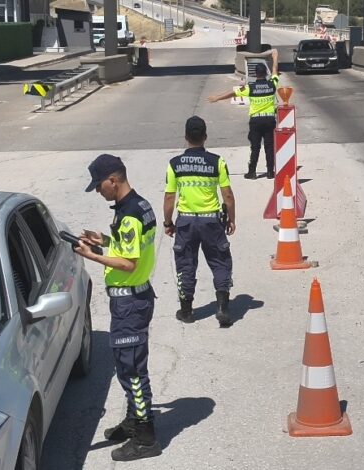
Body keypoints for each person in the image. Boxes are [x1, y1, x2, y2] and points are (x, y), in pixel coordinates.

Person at [74, 154, 161, 462]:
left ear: (113, 180)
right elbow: (128, 246)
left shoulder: (130, 215)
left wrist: (92, 255)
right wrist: (104, 240)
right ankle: (134, 419)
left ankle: (146, 437)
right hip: (134, 299)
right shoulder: (139, 206)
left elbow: (128, 262)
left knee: (132, 370)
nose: (99, 192)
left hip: (130, 304)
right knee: (128, 366)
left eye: (99, 186)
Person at [163, 116, 236, 327]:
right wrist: (231, 219)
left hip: (186, 222)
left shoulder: (174, 164)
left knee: (185, 264)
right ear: (205, 136)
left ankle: (186, 311)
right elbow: (228, 195)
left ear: (185, 137)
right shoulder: (217, 162)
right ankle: (222, 307)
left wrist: (168, 223)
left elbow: (169, 197)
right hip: (211, 221)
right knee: (220, 261)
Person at [208, 49, 280, 180]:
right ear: (266, 73)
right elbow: (275, 70)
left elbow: (233, 93)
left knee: (255, 147)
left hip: (256, 121)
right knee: (269, 147)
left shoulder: (250, 88)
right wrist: (275, 57)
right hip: (270, 120)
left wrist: (217, 98)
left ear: (255, 74)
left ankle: (252, 173)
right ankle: (270, 172)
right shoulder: (272, 84)